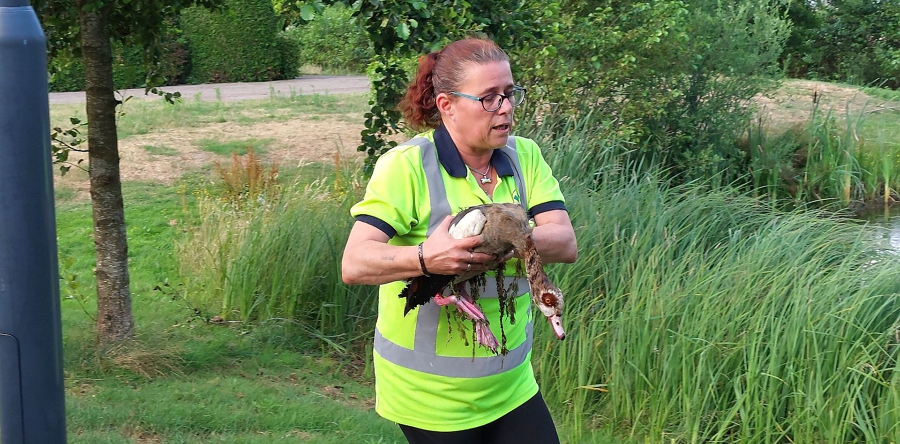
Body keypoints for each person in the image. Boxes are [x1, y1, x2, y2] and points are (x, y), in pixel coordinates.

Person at [341, 36, 578, 444]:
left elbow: (564, 243)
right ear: (447, 105)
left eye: (509, 93)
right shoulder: (406, 167)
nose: (505, 107)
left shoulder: (525, 156)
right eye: (488, 98)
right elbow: (354, 263)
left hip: (511, 384)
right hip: (430, 395)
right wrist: (426, 258)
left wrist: (496, 236)